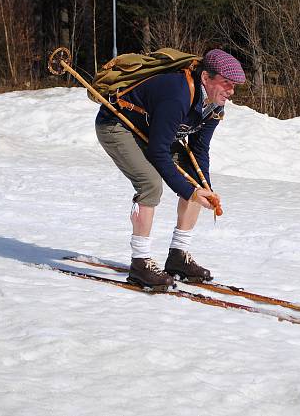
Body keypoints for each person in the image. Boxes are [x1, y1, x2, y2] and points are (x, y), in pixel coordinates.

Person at [94, 49, 246, 289]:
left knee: (195, 182)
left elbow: (199, 150)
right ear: (206, 78)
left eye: (234, 86)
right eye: (226, 83)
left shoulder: (215, 107)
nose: (231, 91)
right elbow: (158, 152)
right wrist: (191, 193)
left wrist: (203, 186)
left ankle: (178, 257)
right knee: (150, 184)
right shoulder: (178, 95)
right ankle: (140, 263)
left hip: (151, 131)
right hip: (117, 125)